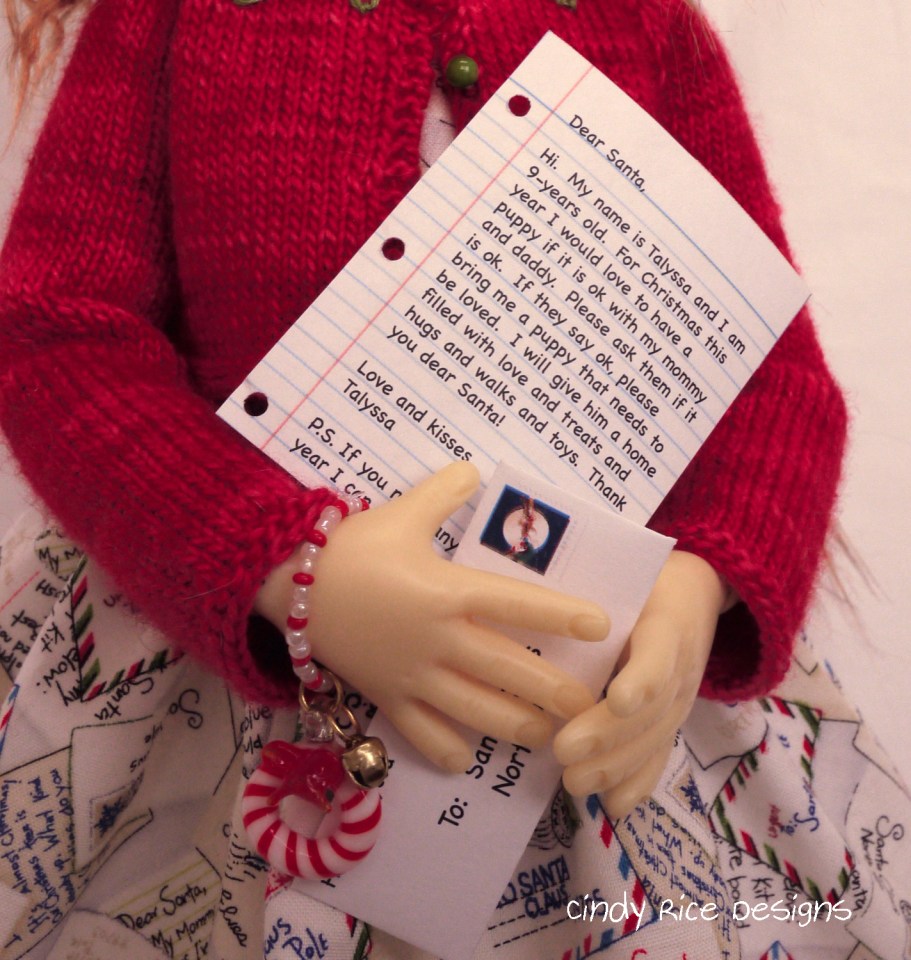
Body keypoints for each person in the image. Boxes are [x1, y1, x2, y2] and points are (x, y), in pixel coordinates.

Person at [0, 0, 868, 958]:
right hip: (220, 663)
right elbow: (59, 336)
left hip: (588, 683)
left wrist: (700, 587)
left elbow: (769, 373)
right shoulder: (173, 17)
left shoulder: (642, 22)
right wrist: (280, 560)